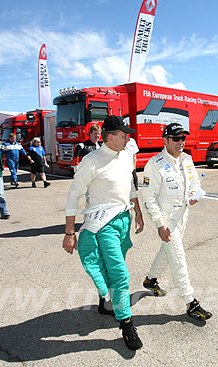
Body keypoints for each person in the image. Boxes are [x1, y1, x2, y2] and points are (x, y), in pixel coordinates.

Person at [62, 115, 145, 351]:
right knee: (120, 274)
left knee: (113, 266)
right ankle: (126, 324)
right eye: (123, 134)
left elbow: (129, 186)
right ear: (110, 137)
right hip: (103, 224)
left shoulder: (126, 156)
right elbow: (73, 195)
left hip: (123, 221)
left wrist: (137, 212)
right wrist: (70, 231)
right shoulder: (91, 161)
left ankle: (104, 303)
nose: (127, 137)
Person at [141, 123, 212, 321]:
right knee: (179, 260)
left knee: (167, 252)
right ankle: (191, 303)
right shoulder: (154, 164)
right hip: (167, 221)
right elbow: (148, 199)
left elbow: (195, 182)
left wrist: (194, 194)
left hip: (183, 218)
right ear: (165, 140)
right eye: (176, 138)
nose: (181, 142)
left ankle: (150, 279)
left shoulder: (188, 159)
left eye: (183, 138)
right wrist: (160, 225)